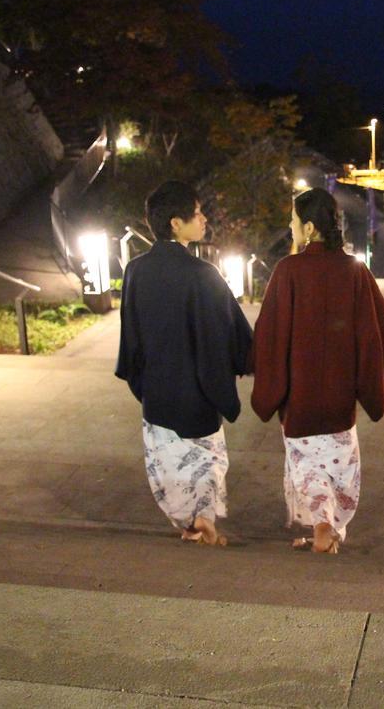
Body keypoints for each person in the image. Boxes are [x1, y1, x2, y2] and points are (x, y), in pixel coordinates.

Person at [251, 189, 384, 554]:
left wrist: (266, 382)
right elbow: (380, 333)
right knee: (338, 471)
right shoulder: (354, 271)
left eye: (293, 222)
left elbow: (269, 335)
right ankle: (328, 529)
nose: (290, 228)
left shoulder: (287, 271)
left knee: (306, 469)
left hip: (300, 401)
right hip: (340, 402)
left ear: (309, 228)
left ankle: (321, 527)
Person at [115, 181, 252, 546]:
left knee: (168, 463)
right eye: (197, 212)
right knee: (204, 462)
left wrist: (142, 379)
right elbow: (229, 333)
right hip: (198, 393)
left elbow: (131, 336)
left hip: (157, 391)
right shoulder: (202, 274)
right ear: (176, 223)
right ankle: (203, 522)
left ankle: (189, 523)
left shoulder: (135, 270)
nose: (204, 218)